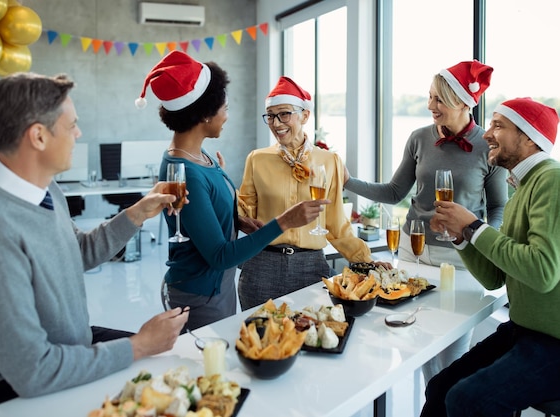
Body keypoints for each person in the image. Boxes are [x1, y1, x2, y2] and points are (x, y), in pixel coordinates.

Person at [0, 72, 189, 417]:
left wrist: (137, 213)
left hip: (67, 347)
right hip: (6, 392)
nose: (79, 134)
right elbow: (33, 371)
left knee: (170, 361)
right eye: (72, 125)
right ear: (39, 136)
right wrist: (138, 345)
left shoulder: (42, 186)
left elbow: (78, 252)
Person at [135, 51, 327, 330]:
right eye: (224, 108)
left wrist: (237, 220)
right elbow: (220, 256)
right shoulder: (186, 170)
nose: (227, 116)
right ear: (203, 114)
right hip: (201, 293)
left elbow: (203, 215)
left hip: (216, 288)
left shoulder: (200, 157)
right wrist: (285, 221)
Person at [343, 60, 508, 382]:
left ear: (463, 102)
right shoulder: (419, 138)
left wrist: (487, 240)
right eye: (429, 97)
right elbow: (393, 193)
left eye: (438, 99)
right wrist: (346, 180)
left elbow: (498, 206)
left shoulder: (487, 146)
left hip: (462, 260)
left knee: (452, 354)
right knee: (415, 344)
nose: (430, 105)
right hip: (413, 252)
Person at [422, 97, 560, 416]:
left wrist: (473, 225)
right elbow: (494, 277)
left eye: (498, 125)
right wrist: (462, 236)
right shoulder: (519, 192)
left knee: (466, 400)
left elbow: (542, 271)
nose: (486, 133)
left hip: (552, 343)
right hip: (522, 331)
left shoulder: (551, 179)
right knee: (440, 387)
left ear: (528, 137)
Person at [236, 76, 388, 311]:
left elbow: (336, 224)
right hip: (262, 266)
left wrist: (365, 260)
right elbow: (243, 214)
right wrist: (222, 189)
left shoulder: (330, 161)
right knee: (261, 339)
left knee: (313, 337)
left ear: (305, 115)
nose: (276, 123)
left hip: (312, 266)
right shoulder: (257, 159)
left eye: (284, 114)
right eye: (271, 116)